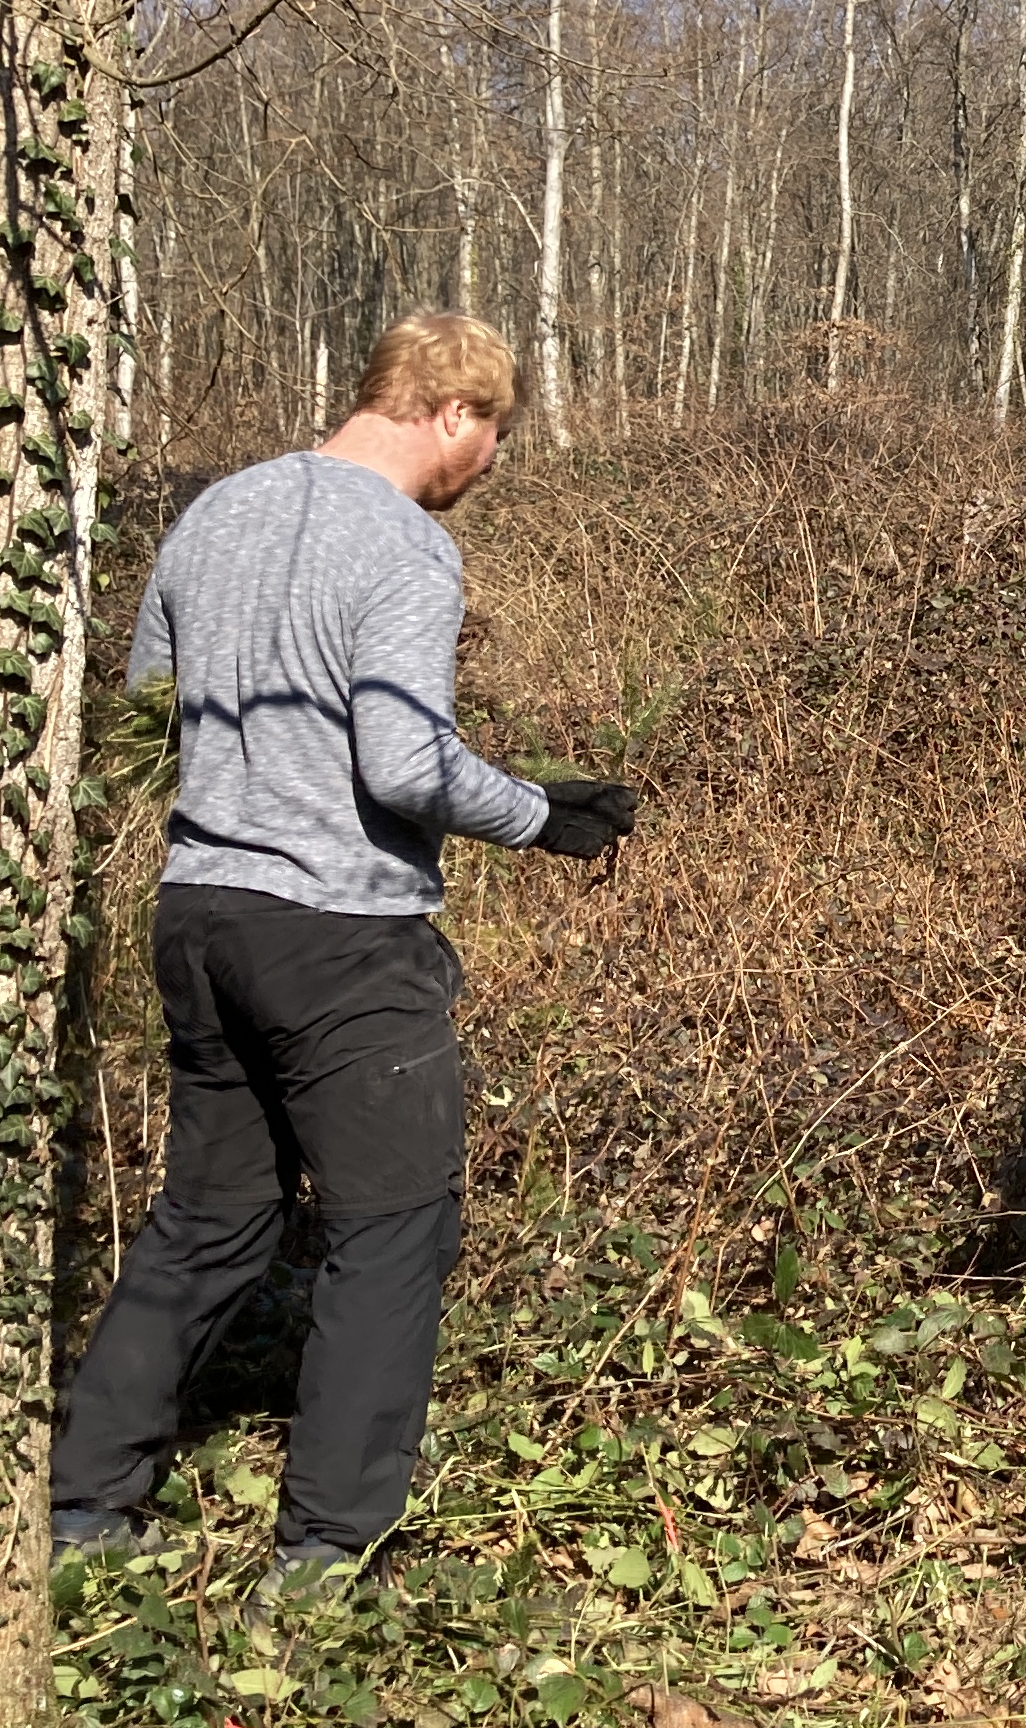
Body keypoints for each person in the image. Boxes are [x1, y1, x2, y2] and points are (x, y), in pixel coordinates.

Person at [52, 315, 636, 1575]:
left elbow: (149, 714)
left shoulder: (214, 516)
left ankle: (84, 1513)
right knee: (394, 1231)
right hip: (343, 940)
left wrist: (256, 790)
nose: (487, 466)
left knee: (209, 1217)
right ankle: (326, 1557)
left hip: (200, 915)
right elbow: (404, 761)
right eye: (495, 438)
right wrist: (542, 815)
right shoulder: (407, 550)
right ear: (454, 418)